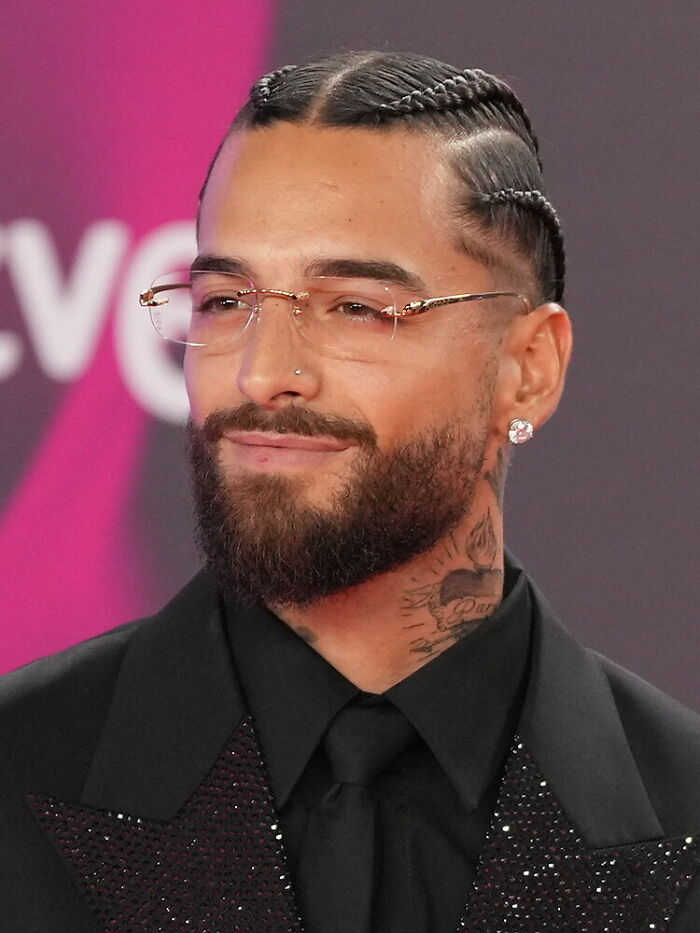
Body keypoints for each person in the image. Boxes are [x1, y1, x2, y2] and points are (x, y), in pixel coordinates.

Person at [1, 50, 699, 933]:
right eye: (224, 301)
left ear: (527, 370)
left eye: (355, 308)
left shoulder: (681, 810)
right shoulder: (16, 772)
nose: (263, 374)